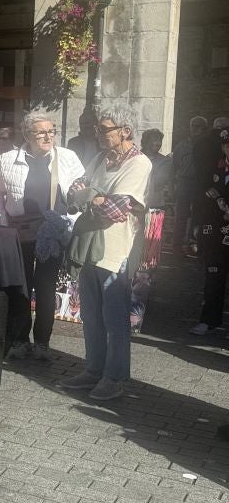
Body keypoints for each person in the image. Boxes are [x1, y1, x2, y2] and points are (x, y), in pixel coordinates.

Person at [60, 101, 152, 401]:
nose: (98, 133)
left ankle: (113, 377)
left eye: (104, 129)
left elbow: (115, 209)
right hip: (90, 248)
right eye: (98, 128)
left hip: (117, 252)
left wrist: (93, 196)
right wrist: (95, 197)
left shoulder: (139, 163)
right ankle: (93, 369)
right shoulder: (101, 158)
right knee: (90, 314)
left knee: (114, 318)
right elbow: (73, 189)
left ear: (125, 131)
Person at [0, 113, 86, 360]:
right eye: (41, 132)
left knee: (45, 288)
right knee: (21, 288)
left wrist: (70, 221)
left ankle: (42, 342)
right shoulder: (8, 160)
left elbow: (81, 193)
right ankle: (20, 340)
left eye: (51, 131)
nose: (47, 136)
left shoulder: (67, 158)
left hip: (51, 234)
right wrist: (2, 218)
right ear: (27, 135)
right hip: (19, 233)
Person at [189, 127, 229, 336]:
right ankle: (209, 320)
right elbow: (203, 200)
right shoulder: (216, 171)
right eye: (226, 145)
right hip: (217, 232)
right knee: (214, 276)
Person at [172, 115, 210, 255]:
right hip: (184, 182)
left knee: (198, 215)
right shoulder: (182, 146)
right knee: (181, 215)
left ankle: (193, 243)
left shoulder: (208, 146)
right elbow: (173, 168)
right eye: (194, 126)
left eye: (201, 127)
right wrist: (172, 187)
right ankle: (177, 245)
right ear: (190, 127)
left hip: (200, 183)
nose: (197, 130)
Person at [140, 128, 172, 211]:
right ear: (145, 142)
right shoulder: (135, 158)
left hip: (156, 204)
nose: (158, 143)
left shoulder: (165, 161)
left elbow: (162, 181)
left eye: (160, 140)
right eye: (154, 140)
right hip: (137, 203)